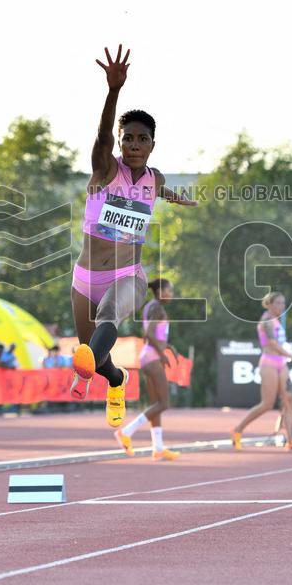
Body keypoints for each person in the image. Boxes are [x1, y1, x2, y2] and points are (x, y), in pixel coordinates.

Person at [70, 44, 198, 428]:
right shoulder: (106, 169)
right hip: (84, 277)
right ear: (121, 142)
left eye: (142, 139)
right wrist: (113, 90)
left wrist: (178, 199)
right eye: (129, 138)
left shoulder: (154, 177)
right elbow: (102, 136)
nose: (134, 145)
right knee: (96, 355)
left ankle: (83, 374)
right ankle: (117, 381)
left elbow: (157, 188)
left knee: (109, 318)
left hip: (128, 275)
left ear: (152, 144)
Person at [231, 291, 292, 451]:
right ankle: (237, 430)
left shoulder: (277, 321)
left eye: (283, 303)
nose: (282, 306)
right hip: (269, 363)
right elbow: (273, 344)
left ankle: (291, 439)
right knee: (267, 404)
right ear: (270, 304)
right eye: (279, 303)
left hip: (281, 364)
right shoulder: (266, 321)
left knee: (288, 400)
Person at [115, 278, 180, 460]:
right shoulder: (156, 308)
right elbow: (149, 334)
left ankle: (158, 448)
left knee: (156, 405)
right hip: (152, 357)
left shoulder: (152, 306)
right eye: (169, 291)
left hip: (148, 356)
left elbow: (156, 335)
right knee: (164, 403)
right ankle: (126, 432)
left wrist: (169, 347)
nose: (171, 295)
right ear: (160, 292)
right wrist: (162, 353)